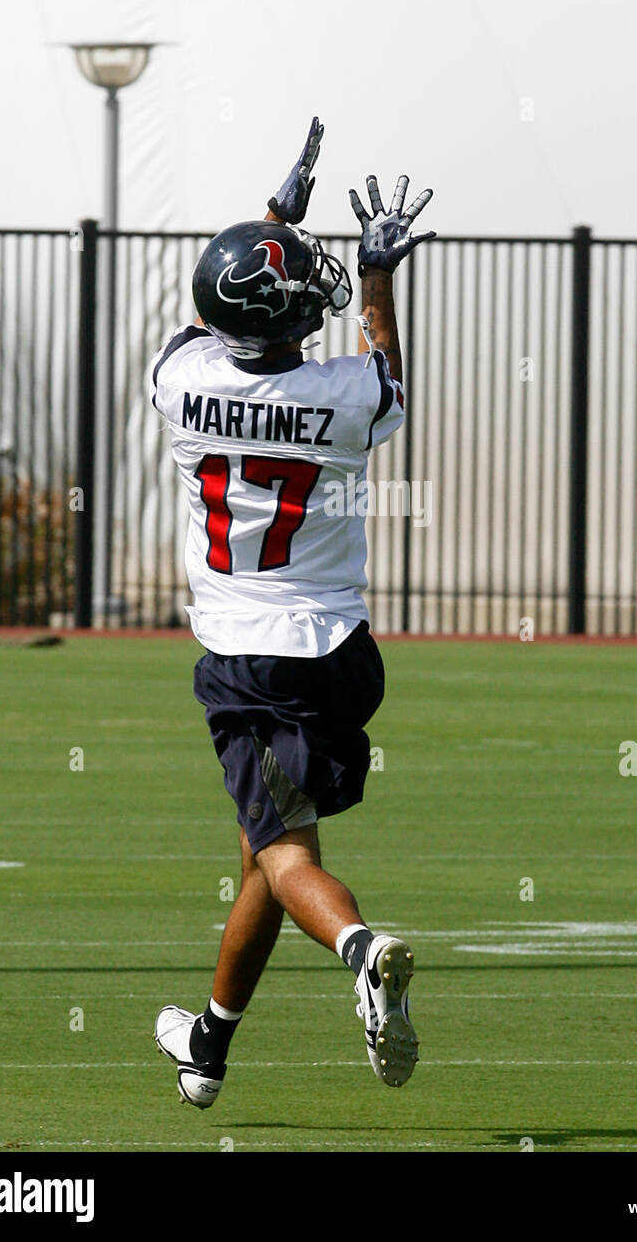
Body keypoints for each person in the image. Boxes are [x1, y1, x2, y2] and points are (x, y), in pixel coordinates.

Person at [148, 118, 435, 1105]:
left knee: (283, 853)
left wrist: (270, 222)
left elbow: (208, 324)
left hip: (249, 657)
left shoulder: (180, 382)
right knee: (263, 855)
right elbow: (388, 376)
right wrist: (375, 275)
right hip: (342, 651)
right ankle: (209, 1044)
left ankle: (360, 947)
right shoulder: (344, 392)